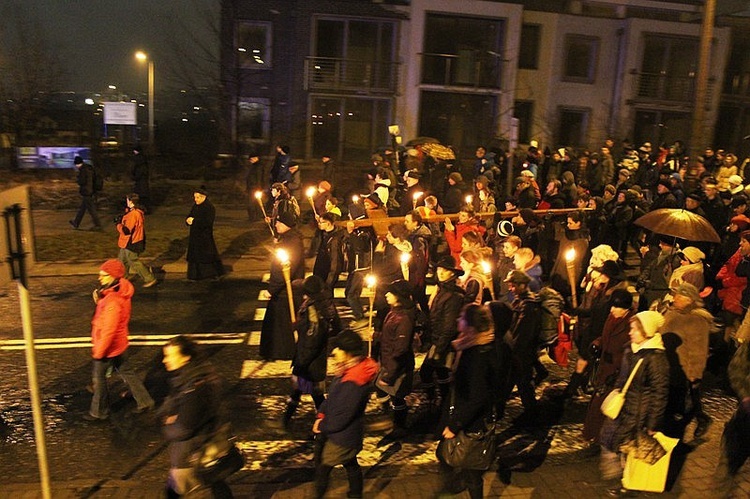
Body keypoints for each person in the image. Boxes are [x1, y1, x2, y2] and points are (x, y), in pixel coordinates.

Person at [599, 310, 670, 497]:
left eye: (635, 329)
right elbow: (622, 379)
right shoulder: (631, 349)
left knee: (630, 450)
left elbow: (660, 393)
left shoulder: (655, 358)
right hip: (624, 409)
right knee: (612, 443)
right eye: (631, 328)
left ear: (646, 332)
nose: (630, 333)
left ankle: (630, 486)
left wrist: (653, 424)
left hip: (639, 413)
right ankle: (624, 481)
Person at [437, 303, 500, 499]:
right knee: (454, 459)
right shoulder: (473, 346)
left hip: (471, 422)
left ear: (471, 327)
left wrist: (455, 425)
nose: (458, 320)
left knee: (470, 468)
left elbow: (477, 396)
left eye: (462, 318)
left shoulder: (476, 356)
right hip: (467, 415)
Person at [160, 335, 233, 498]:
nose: (165, 360)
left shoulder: (194, 386)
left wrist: (167, 426)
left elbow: (183, 428)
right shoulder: (196, 374)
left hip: (191, 450)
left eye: (170, 356)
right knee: (215, 480)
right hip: (205, 444)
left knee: (173, 492)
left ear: (186, 357)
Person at [313, 329, 379, 499]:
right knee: (350, 463)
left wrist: (323, 426)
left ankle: (318, 495)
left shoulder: (354, 380)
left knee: (323, 466)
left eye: (338, 349)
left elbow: (343, 415)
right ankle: (356, 494)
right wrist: (321, 414)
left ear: (349, 353)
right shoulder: (347, 370)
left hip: (342, 436)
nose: (334, 352)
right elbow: (333, 398)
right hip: (346, 435)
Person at [85, 259, 154, 421]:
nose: (99, 278)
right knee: (127, 372)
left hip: (109, 347)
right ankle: (145, 401)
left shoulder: (113, 301)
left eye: (104, 275)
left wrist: (99, 352)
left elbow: (109, 329)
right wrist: (100, 300)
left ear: (113, 276)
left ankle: (98, 412)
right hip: (119, 344)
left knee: (99, 379)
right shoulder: (119, 289)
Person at [283, 275, 341, 428]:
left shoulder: (313, 311)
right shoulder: (326, 304)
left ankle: (325, 424)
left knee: (314, 394)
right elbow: (336, 328)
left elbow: (312, 341)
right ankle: (285, 420)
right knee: (301, 391)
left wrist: (301, 363)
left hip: (309, 362)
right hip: (315, 359)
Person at [661, 283, 713, 438]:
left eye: (679, 295)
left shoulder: (696, 320)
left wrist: (694, 373)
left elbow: (699, 350)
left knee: (685, 400)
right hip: (668, 364)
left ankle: (693, 423)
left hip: (682, 369)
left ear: (689, 299)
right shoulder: (671, 312)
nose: (674, 298)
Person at [582, 289, 634, 442]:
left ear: (625, 309)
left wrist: (618, 371)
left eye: (616, 307)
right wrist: (597, 344)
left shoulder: (631, 324)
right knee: (596, 404)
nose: (612, 310)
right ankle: (592, 434)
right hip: (604, 368)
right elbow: (604, 337)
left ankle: (600, 438)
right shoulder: (612, 318)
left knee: (606, 406)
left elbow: (629, 350)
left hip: (616, 373)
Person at [420, 255, 465, 404]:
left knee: (427, 371)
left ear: (452, 273)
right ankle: (442, 401)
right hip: (437, 338)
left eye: (444, 270)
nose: (440, 272)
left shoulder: (454, 295)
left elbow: (449, 325)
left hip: (442, 341)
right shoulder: (441, 290)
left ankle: (440, 401)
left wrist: (439, 348)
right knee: (440, 371)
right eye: (439, 269)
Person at [260, 211, 305, 360]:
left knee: (282, 324)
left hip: (286, 291)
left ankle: (284, 351)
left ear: (287, 225)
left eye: (279, 222)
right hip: (284, 289)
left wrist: (272, 289)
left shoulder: (293, 242)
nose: (276, 225)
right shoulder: (288, 239)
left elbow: (285, 269)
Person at [375, 279, 416, 439]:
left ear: (398, 296)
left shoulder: (403, 318)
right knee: (389, 392)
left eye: (390, 293)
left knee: (397, 396)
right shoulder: (394, 312)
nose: (386, 295)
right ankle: (390, 417)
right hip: (390, 361)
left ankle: (399, 426)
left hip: (398, 366)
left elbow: (400, 348)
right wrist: (379, 336)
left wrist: (390, 374)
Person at [116, 193, 157, 287]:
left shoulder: (134, 214)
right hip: (129, 241)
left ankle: (149, 278)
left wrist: (118, 224)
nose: (126, 201)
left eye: (127, 200)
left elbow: (126, 231)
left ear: (131, 202)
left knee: (132, 260)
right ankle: (122, 279)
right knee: (122, 260)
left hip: (131, 242)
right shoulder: (133, 212)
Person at [186, 187, 224, 281]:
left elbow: (207, 222)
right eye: (195, 197)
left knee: (207, 255)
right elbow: (190, 215)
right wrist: (188, 220)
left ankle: (210, 274)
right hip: (195, 235)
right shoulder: (196, 206)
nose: (195, 199)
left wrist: (194, 221)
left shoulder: (209, 207)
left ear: (203, 197)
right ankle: (195, 275)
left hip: (204, 236)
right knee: (195, 256)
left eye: (197, 197)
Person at [69, 155, 102, 231]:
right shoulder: (88, 168)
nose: (76, 166)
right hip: (90, 190)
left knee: (91, 210)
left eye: (76, 164)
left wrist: (77, 178)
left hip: (87, 191)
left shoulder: (83, 170)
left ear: (78, 163)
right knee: (82, 208)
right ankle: (76, 222)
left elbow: (82, 181)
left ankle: (98, 225)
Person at [131, 145, 151, 213]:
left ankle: (143, 209)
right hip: (142, 181)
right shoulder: (143, 159)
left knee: (141, 196)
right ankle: (144, 209)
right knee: (143, 196)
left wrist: (134, 176)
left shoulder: (138, 159)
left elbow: (137, 170)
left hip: (140, 181)